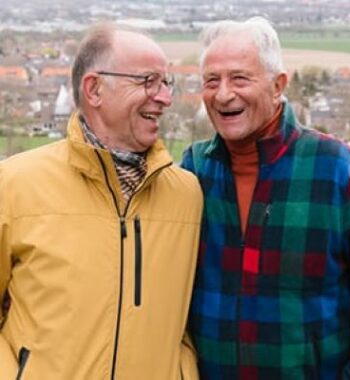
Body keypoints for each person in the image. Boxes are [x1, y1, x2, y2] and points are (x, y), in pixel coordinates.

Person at [0, 23, 202, 379]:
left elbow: (187, 322)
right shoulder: (14, 184)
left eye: (166, 83)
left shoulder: (187, 195)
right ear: (94, 89)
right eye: (147, 81)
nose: (165, 97)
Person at [181, 17, 350, 379]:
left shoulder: (337, 169)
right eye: (212, 81)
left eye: (240, 78)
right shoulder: (192, 172)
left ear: (278, 85)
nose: (223, 94)